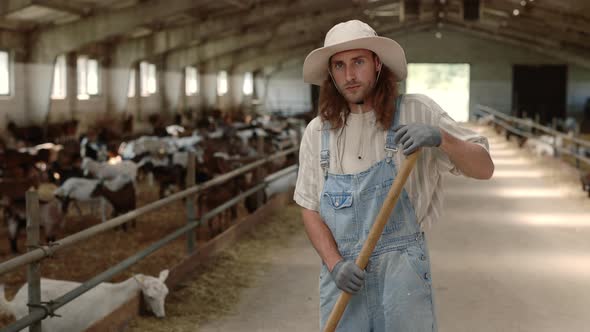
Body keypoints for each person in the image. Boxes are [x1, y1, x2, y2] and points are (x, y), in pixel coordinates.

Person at [294, 20, 494, 331]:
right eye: (339, 65)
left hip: (402, 276)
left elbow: (484, 168)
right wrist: (335, 264)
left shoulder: (416, 112)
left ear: (376, 63)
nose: (349, 75)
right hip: (345, 278)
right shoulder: (319, 132)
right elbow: (309, 208)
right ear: (330, 74)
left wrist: (441, 137)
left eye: (358, 62)